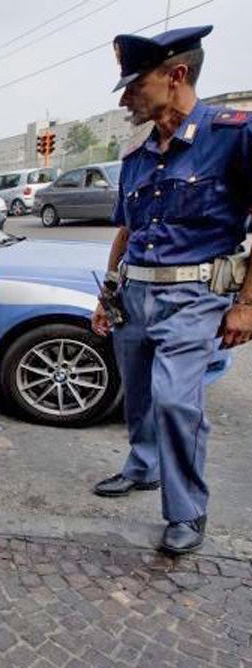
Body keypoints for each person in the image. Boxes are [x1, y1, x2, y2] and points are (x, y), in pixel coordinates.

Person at [91, 25, 252, 554]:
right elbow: (127, 230)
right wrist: (108, 291)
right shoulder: (137, 154)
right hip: (135, 294)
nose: (125, 96)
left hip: (194, 296)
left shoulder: (233, 134)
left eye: (135, 84)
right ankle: (143, 467)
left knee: (176, 401)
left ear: (176, 75)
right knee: (138, 395)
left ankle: (187, 511)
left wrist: (246, 305)